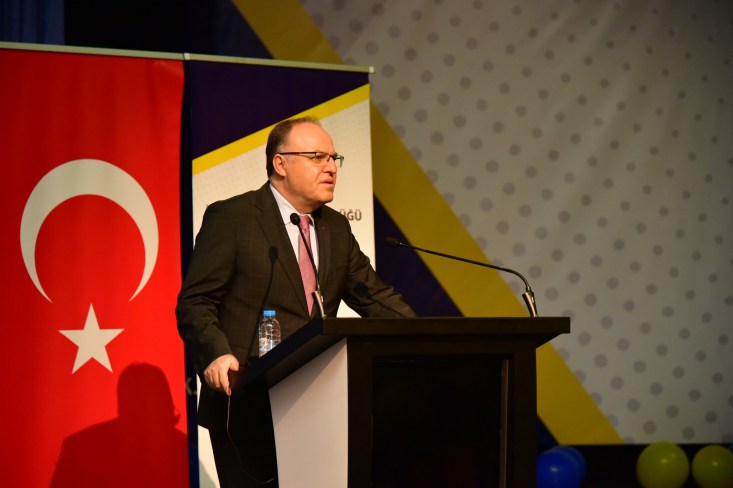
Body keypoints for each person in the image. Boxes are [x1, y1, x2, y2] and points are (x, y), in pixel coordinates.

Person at [176, 117, 415, 487]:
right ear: (280, 163)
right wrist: (215, 354)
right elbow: (196, 301)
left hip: (318, 404)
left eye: (334, 158)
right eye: (318, 157)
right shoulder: (234, 217)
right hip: (247, 403)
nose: (331, 167)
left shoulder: (335, 227)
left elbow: (375, 297)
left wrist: (427, 336)